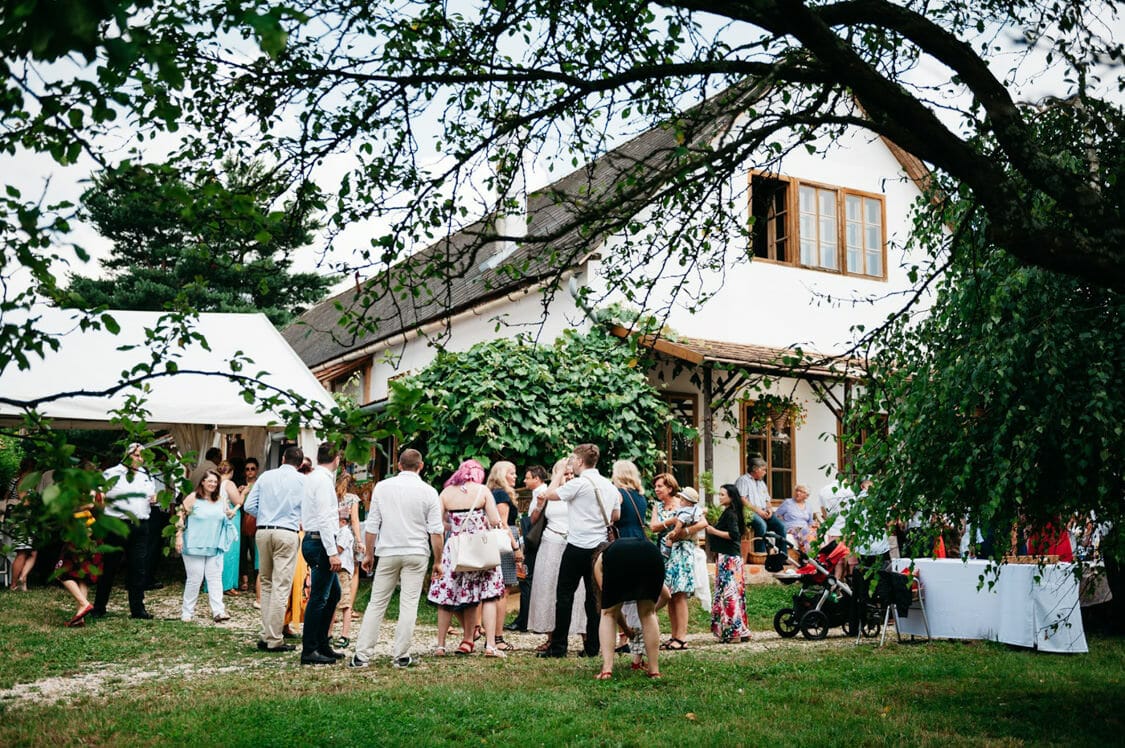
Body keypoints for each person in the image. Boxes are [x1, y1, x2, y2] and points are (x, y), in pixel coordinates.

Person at [351, 448, 443, 669]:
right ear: (420, 466)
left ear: (399, 465)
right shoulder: (429, 491)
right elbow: (436, 532)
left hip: (389, 551)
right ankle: (401, 655)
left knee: (377, 603)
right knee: (409, 603)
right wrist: (438, 561)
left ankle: (362, 655)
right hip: (417, 551)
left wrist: (369, 554)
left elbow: (372, 525)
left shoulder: (383, 487)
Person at [536, 443, 620, 659]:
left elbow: (548, 494)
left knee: (564, 596)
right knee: (594, 599)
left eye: (573, 459)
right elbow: (616, 515)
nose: (571, 463)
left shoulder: (580, 484)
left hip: (576, 546)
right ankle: (592, 648)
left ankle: (558, 648)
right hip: (600, 548)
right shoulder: (609, 485)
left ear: (581, 461)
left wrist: (557, 473)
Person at [425, 459, 507, 658]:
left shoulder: (446, 493)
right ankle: (490, 646)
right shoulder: (482, 491)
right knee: (488, 595)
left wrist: (454, 525)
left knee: (446, 598)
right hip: (480, 548)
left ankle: (440, 646)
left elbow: (438, 523)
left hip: (455, 549)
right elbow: (496, 520)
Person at [244, 445, 305, 653]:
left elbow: (248, 506)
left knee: (267, 582)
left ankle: (266, 633)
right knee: (281, 585)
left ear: (283, 459)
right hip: (286, 532)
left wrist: (266, 515)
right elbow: (306, 508)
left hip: (263, 530)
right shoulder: (302, 481)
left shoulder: (265, 477)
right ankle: (274, 637)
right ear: (300, 464)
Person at [526, 459, 588, 652]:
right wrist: (538, 506)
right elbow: (533, 520)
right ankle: (551, 636)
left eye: (571, 473)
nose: (568, 477)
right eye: (565, 473)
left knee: (579, 591)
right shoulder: (550, 493)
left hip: (574, 543)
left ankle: (585, 636)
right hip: (550, 544)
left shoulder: (579, 491)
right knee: (548, 588)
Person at [92, 443, 156, 620]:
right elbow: (98, 498)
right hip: (116, 523)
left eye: (142, 456)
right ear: (127, 455)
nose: (140, 459)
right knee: (109, 567)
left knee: (138, 567)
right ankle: (99, 607)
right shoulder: (111, 473)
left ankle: (137, 609)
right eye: (137, 455)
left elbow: (152, 495)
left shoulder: (145, 475)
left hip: (141, 525)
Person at [592, 537, 666, 680]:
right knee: (648, 614)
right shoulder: (619, 548)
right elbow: (666, 594)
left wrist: (625, 629)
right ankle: (654, 670)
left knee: (607, 614)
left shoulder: (601, 559)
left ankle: (607, 670)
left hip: (619, 557)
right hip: (651, 553)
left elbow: (610, 609)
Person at [300, 443, 343, 665]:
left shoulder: (312, 478)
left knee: (334, 593)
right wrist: (332, 552)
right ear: (336, 458)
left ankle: (322, 642)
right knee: (319, 596)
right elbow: (325, 518)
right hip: (320, 541)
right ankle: (310, 649)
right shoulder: (324, 481)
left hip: (312, 538)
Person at [649, 473, 701, 650]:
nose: (656, 489)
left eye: (660, 486)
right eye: (655, 486)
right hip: (665, 552)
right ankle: (673, 636)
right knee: (669, 594)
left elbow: (702, 523)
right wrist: (674, 520)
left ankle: (682, 637)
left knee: (680, 594)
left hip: (682, 551)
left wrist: (683, 531)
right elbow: (653, 527)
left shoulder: (683, 502)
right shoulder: (658, 506)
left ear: (670, 488)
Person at [175, 470, 234, 623]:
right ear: (202, 482)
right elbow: (180, 517)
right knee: (195, 578)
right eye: (210, 481)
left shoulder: (221, 500)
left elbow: (225, 515)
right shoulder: (193, 498)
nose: (213, 484)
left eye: (215, 482)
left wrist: (229, 514)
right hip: (194, 544)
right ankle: (187, 612)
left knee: (215, 578)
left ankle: (219, 611)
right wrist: (178, 537)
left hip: (215, 544)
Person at [705, 484, 752, 643]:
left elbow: (734, 535)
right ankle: (741, 629)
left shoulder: (731, 514)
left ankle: (734, 632)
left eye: (722, 494)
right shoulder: (732, 512)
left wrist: (713, 531)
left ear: (731, 497)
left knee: (729, 595)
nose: (720, 497)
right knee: (734, 593)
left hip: (729, 558)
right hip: (732, 557)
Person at [506, 464, 548, 633]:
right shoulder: (537, 493)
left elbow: (533, 522)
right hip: (534, 541)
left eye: (527, 477)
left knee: (527, 580)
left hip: (535, 543)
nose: (524, 480)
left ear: (536, 479)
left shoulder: (541, 495)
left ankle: (525, 620)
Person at [486, 460, 523, 652]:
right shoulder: (501, 494)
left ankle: (492, 633)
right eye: (512, 473)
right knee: (503, 590)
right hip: (505, 543)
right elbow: (502, 523)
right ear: (501, 475)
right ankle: (497, 636)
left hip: (499, 542)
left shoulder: (492, 493)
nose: (515, 476)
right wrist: (516, 547)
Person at [331, 474, 364, 648]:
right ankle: (349, 602)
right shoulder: (352, 499)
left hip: (333, 538)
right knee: (353, 572)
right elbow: (355, 521)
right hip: (347, 538)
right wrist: (359, 540)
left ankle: (330, 628)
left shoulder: (331, 496)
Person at [735, 457, 786, 552]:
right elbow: (742, 500)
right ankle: (761, 554)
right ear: (755, 469)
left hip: (763, 512)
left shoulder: (762, 483)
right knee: (762, 525)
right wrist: (759, 511)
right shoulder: (743, 480)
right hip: (748, 512)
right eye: (763, 470)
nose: (765, 472)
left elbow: (767, 500)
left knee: (781, 527)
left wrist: (769, 510)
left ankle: (781, 555)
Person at [3, 457, 38, 591]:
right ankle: (14, 584)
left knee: (32, 552)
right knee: (22, 552)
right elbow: (25, 502)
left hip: (15, 518)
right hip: (22, 520)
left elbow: (6, 497)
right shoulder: (25, 481)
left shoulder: (15, 479)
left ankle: (22, 579)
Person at [216, 461, 243, 595]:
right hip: (230, 517)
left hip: (218, 517)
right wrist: (244, 492)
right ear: (231, 472)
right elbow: (238, 501)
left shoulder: (215, 482)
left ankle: (214, 583)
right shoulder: (229, 483)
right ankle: (227, 584)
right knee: (230, 550)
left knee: (218, 551)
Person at [611, 460, 649, 540]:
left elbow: (611, 518)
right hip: (640, 537)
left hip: (624, 537)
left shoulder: (619, 494)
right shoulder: (641, 495)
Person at [238, 457, 260, 594]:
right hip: (242, 519)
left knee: (255, 551)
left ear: (257, 470)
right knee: (242, 550)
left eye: (252, 469)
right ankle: (244, 579)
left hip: (256, 520)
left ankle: (256, 581)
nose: (250, 471)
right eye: (247, 469)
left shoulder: (260, 484)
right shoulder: (241, 484)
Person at [775, 484, 817, 553]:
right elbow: (776, 515)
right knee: (804, 531)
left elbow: (810, 522)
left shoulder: (809, 506)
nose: (798, 493)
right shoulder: (788, 503)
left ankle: (812, 555)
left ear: (806, 496)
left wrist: (814, 526)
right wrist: (782, 523)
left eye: (801, 491)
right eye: (797, 490)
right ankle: (808, 556)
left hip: (804, 528)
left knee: (812, 533)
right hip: (791, 527)